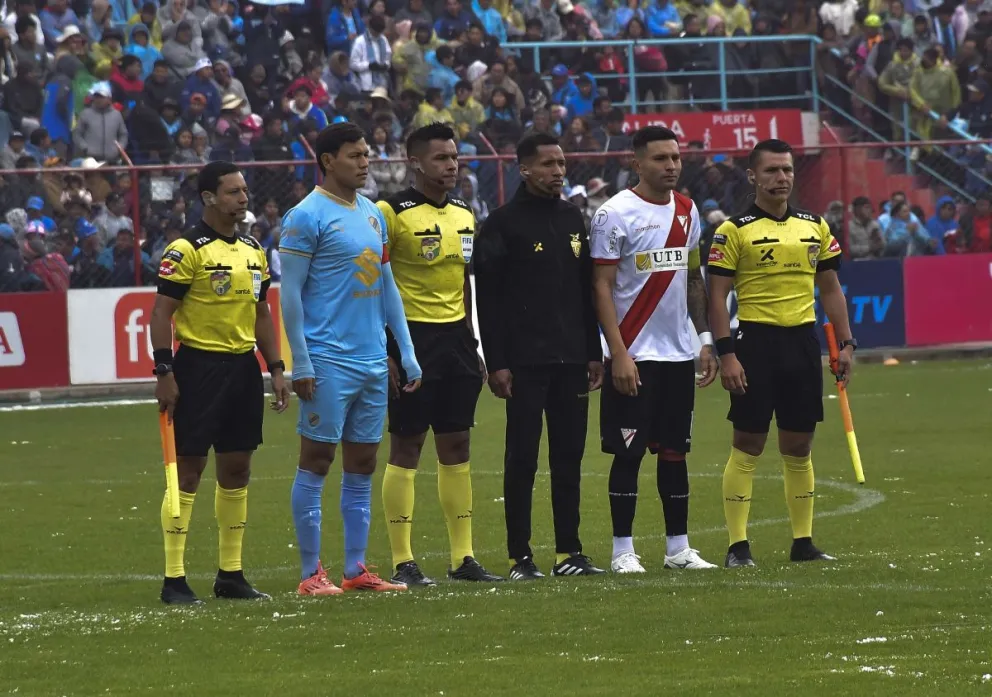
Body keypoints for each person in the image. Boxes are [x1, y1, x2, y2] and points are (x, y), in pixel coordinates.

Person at [280, 122, 421, 596]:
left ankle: (356, 569)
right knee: (316, 460)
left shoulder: (372, 214)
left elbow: (387, 288)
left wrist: (406, 350)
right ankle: (308, 574)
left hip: (372, 360)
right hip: (328, 358)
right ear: (327, 160)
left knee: (363, 462)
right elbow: (291, 294)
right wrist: (301, 360)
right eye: (355, 155)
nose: (365, 162)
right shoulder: (305, 216)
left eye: (367, 154)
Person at [707, 139, 855, 568]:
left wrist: (845, 344)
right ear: (753, 176)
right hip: (755, 344)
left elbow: (830, 289)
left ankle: (803, 542)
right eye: (771, 170)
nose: (782, 178)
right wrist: (726, 354)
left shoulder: (815, 226)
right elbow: (717, 299)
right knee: (748, 443)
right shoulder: (734, 231)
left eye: (787, 170)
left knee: (799, 445)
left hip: (802, 344)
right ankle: (738, 546)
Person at [150, 160, 291, 605]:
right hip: (197, 368)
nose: (243, 198)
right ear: (209, 197)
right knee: (187, 472)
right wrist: (164, 371)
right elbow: (160, 314)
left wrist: (276, 367)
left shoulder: (253, 249)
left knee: (237, 470)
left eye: (245, 190)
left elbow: (262, 312)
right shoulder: (186, 249)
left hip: (242, 370)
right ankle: (174, 579)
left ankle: (231, 574)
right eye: (233, 192)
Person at [375, 123, 502, 586]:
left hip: (457, 344)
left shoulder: (466, 214)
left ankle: (463, 558)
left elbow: (464, 286)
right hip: (410, 342)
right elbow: (373, 286)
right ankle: (403, 560)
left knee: (457, 445)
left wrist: (475, 345)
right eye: (441, 158)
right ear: (416, 162)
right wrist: (386, 351)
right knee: (407, 444)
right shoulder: (390, 212)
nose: (451, 165)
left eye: (454, 157)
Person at [474, 133, 605, 580]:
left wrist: (593, 350)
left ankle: (569, 552)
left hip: (571, 359)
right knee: (522, 458)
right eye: (548, 164)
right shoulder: (501, 223)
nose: (558, 171)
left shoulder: (573, 217)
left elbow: (586, 293)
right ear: (524, 169)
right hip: (524, 361)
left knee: (568, 458)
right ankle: (519, 557)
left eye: (562, 163)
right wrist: (497, 362)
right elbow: (487, 299)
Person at [589, 126, 718, 574]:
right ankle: (622, 551)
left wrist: (704, 341)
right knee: (626, 453)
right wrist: (618, 353)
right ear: (636, 163)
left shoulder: (687, 211)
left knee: (675, 452)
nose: (671, 166)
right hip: (634, 356)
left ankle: (678, 548)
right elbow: (601, 288)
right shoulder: (613, 214)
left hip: (679, 356)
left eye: (676, 158)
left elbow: (694, 279)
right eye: (661, 158)